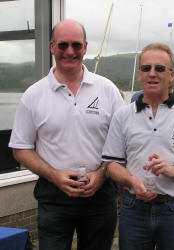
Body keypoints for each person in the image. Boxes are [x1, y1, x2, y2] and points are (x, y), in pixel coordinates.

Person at [9, 19, 124, 250]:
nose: (69, 52)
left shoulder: (108, 90)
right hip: (53, 196)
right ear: (52, 47)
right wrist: (54, 175)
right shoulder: (33, 95)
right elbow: (20, 148)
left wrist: (102, 174)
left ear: (85, 47)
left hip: (100, 196)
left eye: (76, 45)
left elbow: (123, 142)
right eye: (63, 45)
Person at [101, 43, 174, 250]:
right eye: (146, 68)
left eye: (159, 69)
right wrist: (132, 181)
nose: (152, 74)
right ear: (140, 74)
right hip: (134, 209)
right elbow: (111, 165)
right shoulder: (122, 116)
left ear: (171, 76)